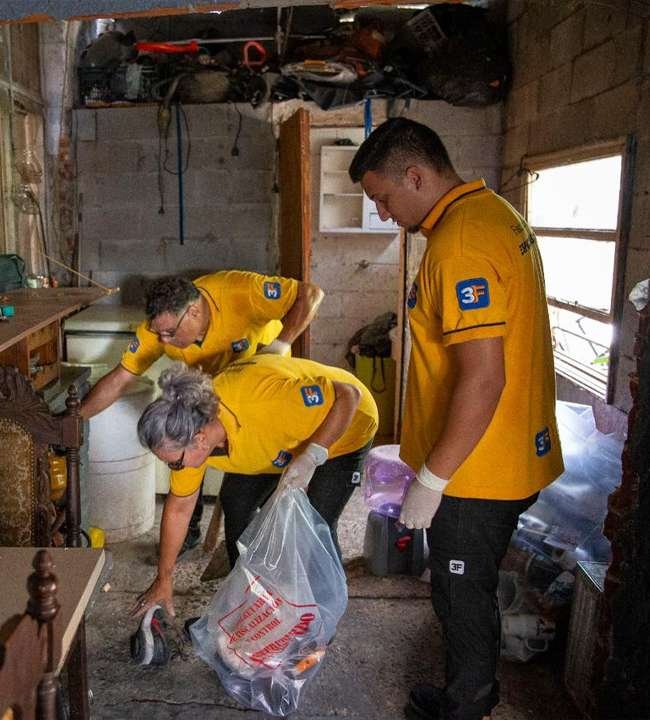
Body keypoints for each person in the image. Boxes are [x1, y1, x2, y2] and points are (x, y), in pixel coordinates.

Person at [348, 117, 564, 720]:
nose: (385, 213)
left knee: (459, 591)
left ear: (415, 175)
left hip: (477, 469)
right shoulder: (495, 212)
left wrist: (434, 480)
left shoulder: (460, 245)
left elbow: (484, 377)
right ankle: (472, 689)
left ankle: (467, 703)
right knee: (465, 585)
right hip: (509, 451)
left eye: (384, 198)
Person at [80, 271, 324, 553]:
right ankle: (187, 534)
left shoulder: (238, 291)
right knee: (184, 459)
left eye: (170, 333)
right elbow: (120, 378)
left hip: (255, 403)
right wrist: (75, 420)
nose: (164, 342)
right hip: (202, 402)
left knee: (241, 499)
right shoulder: (158, 329)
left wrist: (281, 344)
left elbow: (311, 293)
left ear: (194, 311)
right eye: (159, 334)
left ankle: (261, 551)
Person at [130, 355, 378, 619]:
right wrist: (164, 577)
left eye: (174, 464)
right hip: (278, 440)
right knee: (236, 501)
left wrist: (312, 455)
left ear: (200, 440)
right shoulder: (191, 433)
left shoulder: (264, 403)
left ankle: (319, 619)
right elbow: (179, 509)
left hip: (346, 425)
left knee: (315, 525)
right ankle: (251, 598)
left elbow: (347, 395)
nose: (175, 469)